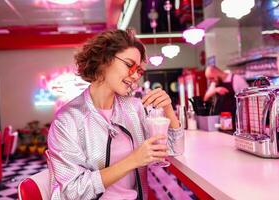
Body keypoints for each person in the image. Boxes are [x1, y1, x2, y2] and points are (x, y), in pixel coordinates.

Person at [47, 29, 183, 200]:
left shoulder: (134, 108)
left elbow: (174, 149)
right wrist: (133, 160)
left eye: (139, 70)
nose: (135, 75)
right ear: (104, 59)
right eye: (129, 65)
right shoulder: (68, 120)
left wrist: (168, 109)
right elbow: (72, 192)